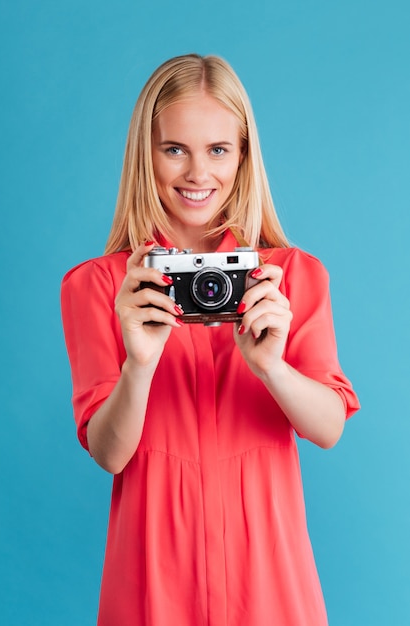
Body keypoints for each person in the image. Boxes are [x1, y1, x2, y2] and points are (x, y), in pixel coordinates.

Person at [61, 53, 360, 626]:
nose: (199, 173)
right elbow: (108, 452)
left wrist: (273, 367)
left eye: (219, 149)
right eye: (174, 148)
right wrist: (140, 364)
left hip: (268, 580)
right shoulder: (99, 287)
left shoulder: (292, 277)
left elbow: (328, 428)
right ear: (144, 155)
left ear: (243, 156)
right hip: (152, 580)